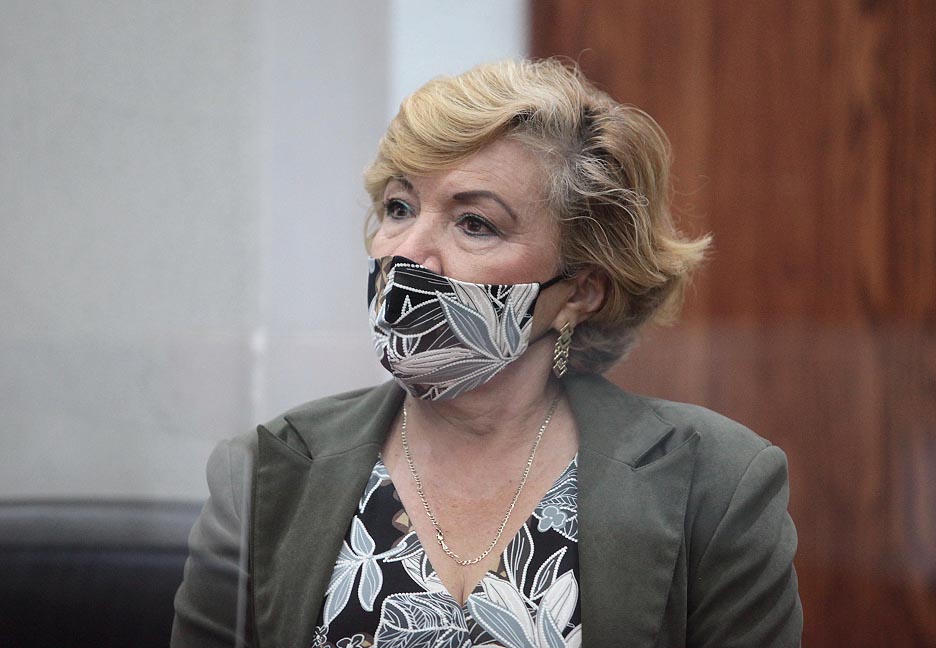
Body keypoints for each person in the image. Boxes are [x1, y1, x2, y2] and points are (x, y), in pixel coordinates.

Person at [171, 58, 802, 648]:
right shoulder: (265, 472)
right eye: (399, 208)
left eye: (475, 223)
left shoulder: (716, 484)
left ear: (580, 291)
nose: (406, 251)